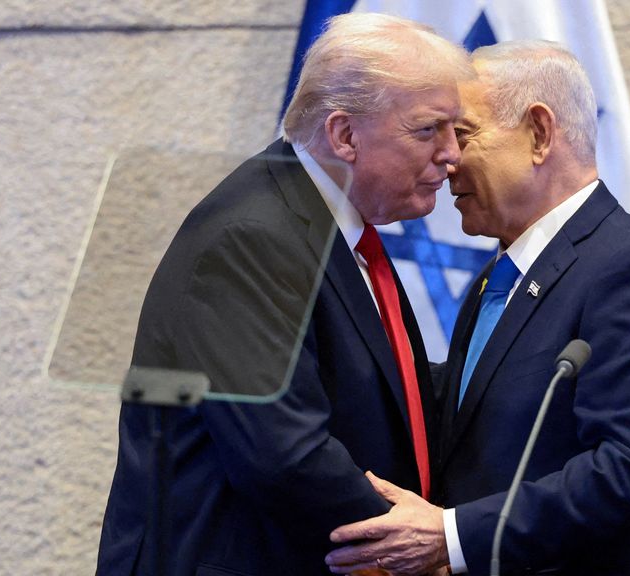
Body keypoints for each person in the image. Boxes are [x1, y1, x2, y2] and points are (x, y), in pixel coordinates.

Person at [325, 41, 630, 576]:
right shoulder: (498, 277)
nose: (446, 159)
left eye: (462, 134)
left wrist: (451, 536)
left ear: (539, 133)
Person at [97, 13, 472, 576]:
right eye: (427, 130)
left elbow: (377, 389)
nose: (452, 154)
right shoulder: (252, 237)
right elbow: (285, 456)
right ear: (344, 135)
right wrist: (413, 545)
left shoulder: (330, 221)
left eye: (455, 130)